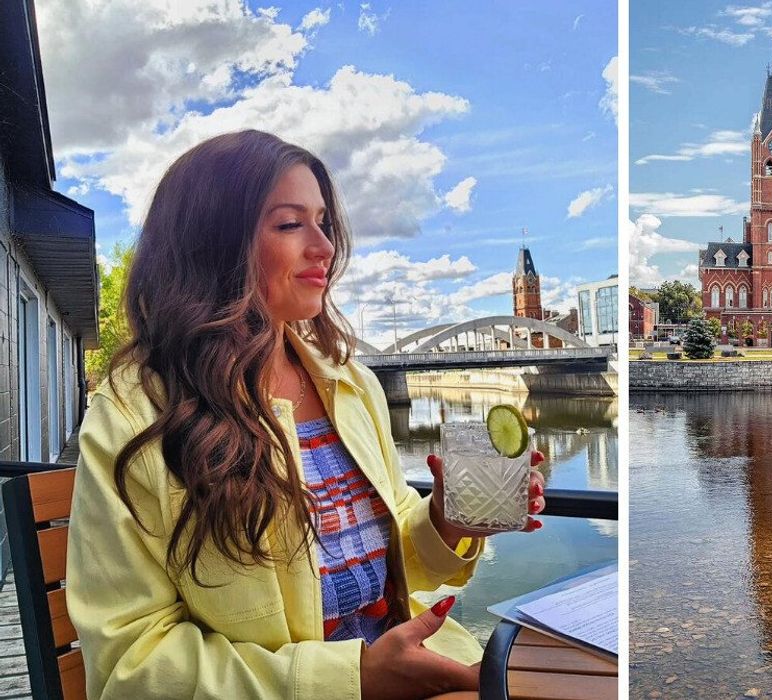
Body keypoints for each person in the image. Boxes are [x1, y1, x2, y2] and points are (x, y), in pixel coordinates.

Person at [66, 130, 546, 699]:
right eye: (291, 224)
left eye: (323, 222)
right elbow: (128, 667)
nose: (324, 247)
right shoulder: (132, 417)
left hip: (422, 674)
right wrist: (352, 682)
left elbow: (376, 572)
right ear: (213, 246)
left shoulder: (352, 384)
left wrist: (445, 524)